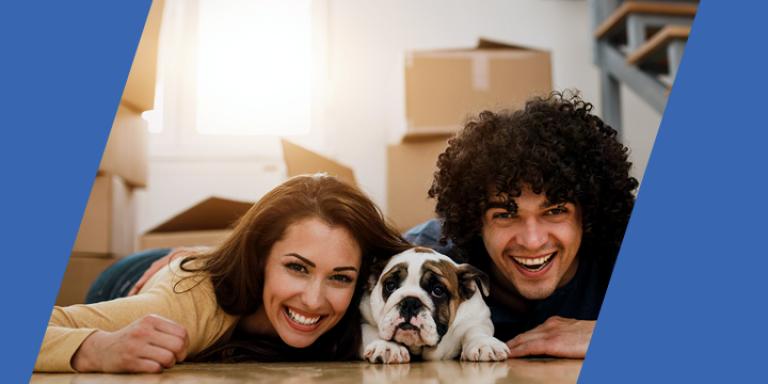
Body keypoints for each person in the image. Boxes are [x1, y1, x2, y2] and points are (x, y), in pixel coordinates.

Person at [35, 174, 411, 372]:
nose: (314, 299)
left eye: (340, 277)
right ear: (260, 257)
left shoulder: (374, 304)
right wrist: (97, 348)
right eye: (297, 268)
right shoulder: (187, 307)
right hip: (136, 277)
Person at [406, 91, 638, 359]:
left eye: (556, 211)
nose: (532, 241)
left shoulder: (622, 250)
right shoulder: (428, 256)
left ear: (588, 213)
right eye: (505, 215)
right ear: (475, 221)